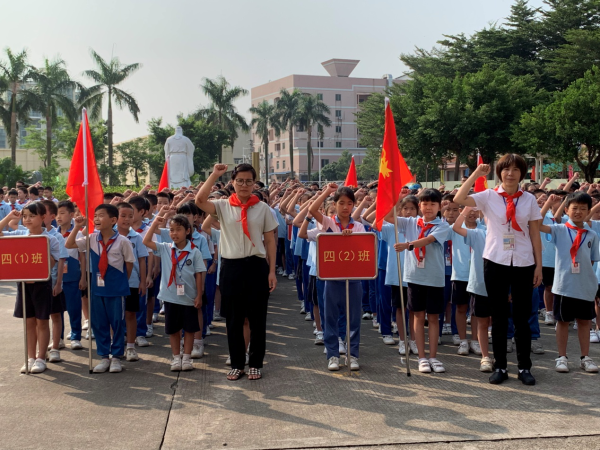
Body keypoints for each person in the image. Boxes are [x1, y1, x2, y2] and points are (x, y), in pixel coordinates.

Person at [454, 154, 542, 386]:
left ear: (522, 173)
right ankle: (501, 366)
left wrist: (539, 266)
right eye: (505, 169)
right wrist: (476, 173)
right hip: (495, 260)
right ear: (499, 172)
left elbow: (535, 233)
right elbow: (459, 198)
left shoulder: (529, 200)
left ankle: (524, 367)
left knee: (522, 317)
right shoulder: (488, 196)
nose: (510, 174)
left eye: (515, 169)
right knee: (499, 317)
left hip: (523, 261)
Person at [195, 163, 278, 381]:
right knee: (234, 319)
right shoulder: (223, 206)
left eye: (248, 181)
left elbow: (270, 241)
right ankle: (237, 363)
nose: (244, 185)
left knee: (257, 318)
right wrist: (215, 174)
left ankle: (256, 363)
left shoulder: (262, 208)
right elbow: (199, 201)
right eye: (239, 180)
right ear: (232, 182)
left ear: (254, 183)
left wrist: (271, 271)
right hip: (231, 267)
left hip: (256, 266)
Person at [65, 205, 135, 373]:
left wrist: (120, 282)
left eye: (101, 215)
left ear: (113, 220)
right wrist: (77, 226)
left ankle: (116, 357)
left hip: (116, 290)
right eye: (95, 216)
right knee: (98, 323)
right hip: (97, 289)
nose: (96, 219)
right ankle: (104, 357)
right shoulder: (92, 238)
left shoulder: (123, 241)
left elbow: (129, 264)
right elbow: (69, 244)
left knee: (117, 323)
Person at [390, 189, 451, 374]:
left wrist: (408, 245)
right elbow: (387, 217)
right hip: (414, 277)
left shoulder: (443, 225)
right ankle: (422, 358)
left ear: (439, 207)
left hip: (434, 278)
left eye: (433, 204)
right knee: (417, 316)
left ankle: (433, 357)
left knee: (433, 318)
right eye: (425, 204)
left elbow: (428, 239)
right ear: (419, 206)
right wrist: (398, 198)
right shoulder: (410, 222)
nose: (428, 208)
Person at [308, 183, 365, 371]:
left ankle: (353, 355)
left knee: (354, 319)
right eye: (341, 203)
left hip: (353, 279)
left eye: (349, 203)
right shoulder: (328, 222)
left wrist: (352, 238)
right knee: (330, 317)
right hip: (332, 278)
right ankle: (333, 355)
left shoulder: (358, 226)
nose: (345, 207)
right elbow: (312, 210)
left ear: (354, 205)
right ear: (334, 204)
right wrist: (326, 191)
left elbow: (363, 249)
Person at [540, 193, 599, 373]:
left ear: (588, 211)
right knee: (563, 322)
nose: (578, 212)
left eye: (583, 208)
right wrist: (548, 203)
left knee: (584, 322)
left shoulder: (591, 234)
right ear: (566, 210)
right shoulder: (559, 230)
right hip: (564, 286)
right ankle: (562, 357)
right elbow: (537, 224)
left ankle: (585, 357)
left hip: (585, 286)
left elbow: (592, 260)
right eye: (574, 208)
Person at [0, 204, 60, 373]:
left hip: (42, 285)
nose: (27, 220)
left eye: (32, 216)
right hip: (23, 285)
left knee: (42, 321)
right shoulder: (19, 234)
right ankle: (30, 357)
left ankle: (41, 358)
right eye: (25, 216)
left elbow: (51, 263)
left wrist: (39, 246)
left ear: (43, 217)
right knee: (29, 322)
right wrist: (9, 217)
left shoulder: (51, 239)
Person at [143, 213, 206, 372]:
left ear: (187, 231)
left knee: (190, 329)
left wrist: (199, 295)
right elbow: (146, 241)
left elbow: (199, 273)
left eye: (178, 229)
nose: (174, 233)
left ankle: (187, 358)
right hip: (170, 297)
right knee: (173, 329)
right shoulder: (165, 247)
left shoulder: (194, 251)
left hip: (189, 297)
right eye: (171, 230)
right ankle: (176, 357)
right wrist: (154, 224)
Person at [452, 206, 492, 372]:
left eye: (476, 209)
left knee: (476, 312)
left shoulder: (484, 230)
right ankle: (463, 340)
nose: (472, 212)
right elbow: (455, 227)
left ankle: (475, 340)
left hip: (479, 277)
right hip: (461, 274)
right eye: (469, 209)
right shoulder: (457, 227)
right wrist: (464, 210)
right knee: (461, 308)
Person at [116, 203, 148, 362]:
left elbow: (142, 260)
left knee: (130, 314)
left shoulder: (137, 237)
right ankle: (116, 346)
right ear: (115, 217)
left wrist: (143, 281)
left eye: (130, 216)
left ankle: (130, 347)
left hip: (132, 282)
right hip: (113, 283)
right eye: (123, 215)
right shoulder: (109, 235)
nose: (127, 219)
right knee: (115, 316)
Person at [56, 201, 85, 350]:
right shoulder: (53, 234)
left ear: (71, 215)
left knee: (74, 308)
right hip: (56, 278)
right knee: (57, 310)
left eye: (62, 213)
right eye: (56, 214)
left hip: (73, 276)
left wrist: (83, 277)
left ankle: (75, 336)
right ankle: (58, 338)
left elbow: (83, 257)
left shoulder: (78, 232)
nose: (58, 217)